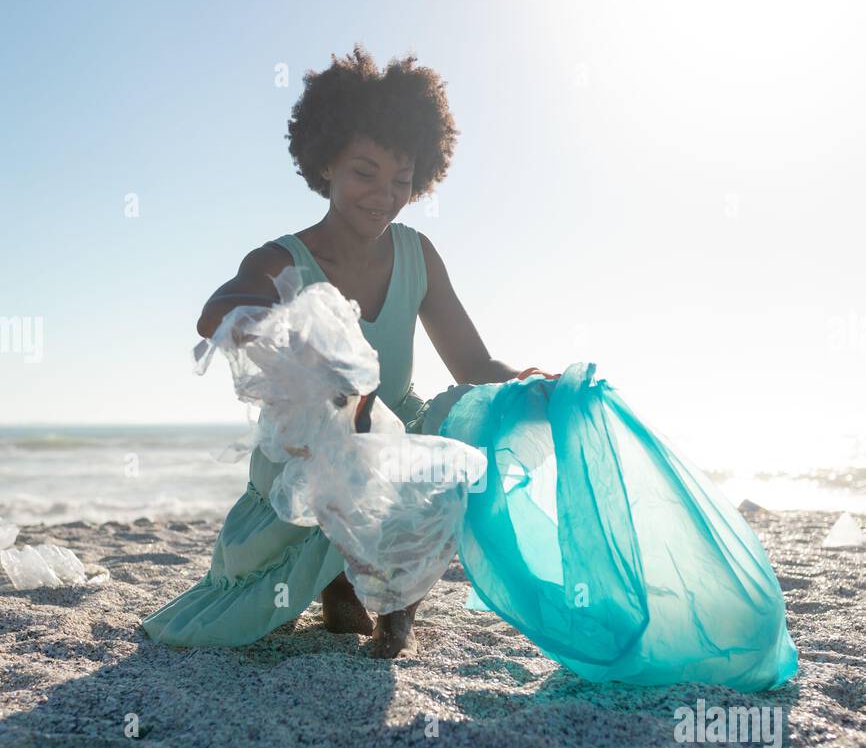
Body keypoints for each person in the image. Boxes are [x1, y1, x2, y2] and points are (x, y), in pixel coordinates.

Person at [140, 45, 557, 658]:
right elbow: (219, 311)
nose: (382, 195)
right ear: (326, 163)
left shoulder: (419, 255)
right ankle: (339, 583)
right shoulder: (282, 258)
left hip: (399, 433)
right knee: (353, 441)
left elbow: (474, 367)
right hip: (311, 454)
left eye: (401, 180)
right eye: (365, 172)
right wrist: (280, 334)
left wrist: (529, 382)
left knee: (476, 415)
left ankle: (393, 604)